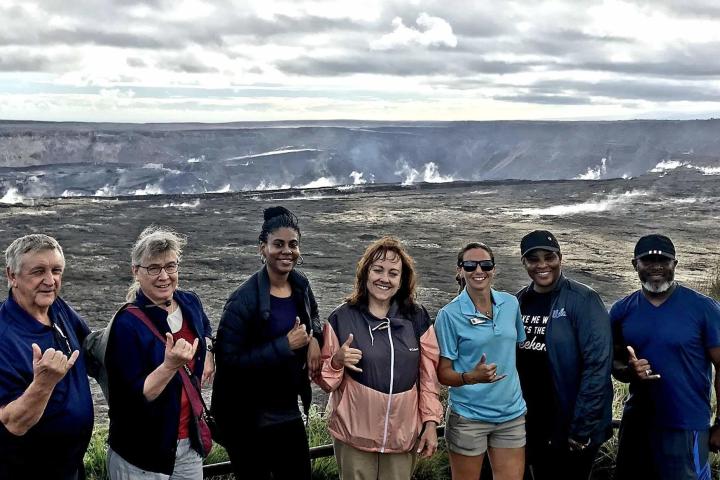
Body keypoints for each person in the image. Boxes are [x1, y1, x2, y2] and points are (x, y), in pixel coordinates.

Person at [316, 236, 443, 480]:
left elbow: (429, 378)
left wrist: (430, 423)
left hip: (401, 438)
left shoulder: (416, 318)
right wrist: (336, 362)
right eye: (378, 270)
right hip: (354, 437)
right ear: (365, 273)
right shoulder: (341, 318)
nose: (384, 278)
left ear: (401, 280)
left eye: (393, 273)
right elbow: (325, 381)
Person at [212, 206, 322, 480]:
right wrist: (284, 345)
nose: (287, 251)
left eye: (293, 244)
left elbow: (314, 317)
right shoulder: (242, 300)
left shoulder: (300, 285)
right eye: (278, 244)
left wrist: (315, 340)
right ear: (263, 248)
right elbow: (228, 360)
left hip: (287, 410)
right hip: (248, 418)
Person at [105, 226, 214, 479]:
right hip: (142, 453)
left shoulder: (190, 302)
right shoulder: (126, 324)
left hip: (188, 445)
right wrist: (170, 366)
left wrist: (208, 348)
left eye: (171, 266)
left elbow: (204, 326)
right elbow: (134, 397)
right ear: (136, 272)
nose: (164, 276)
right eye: (153, 268)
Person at [611, 234, 720, 480]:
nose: (656, 267)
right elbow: (615, 363)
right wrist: (630, 370)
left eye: (664, 261)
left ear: (675, 265)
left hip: (686, 426)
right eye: (647, 261)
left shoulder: (703, 308)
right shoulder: (621, 310)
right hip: (637, 426)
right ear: (634, 265)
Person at [515, 230, 613, 480]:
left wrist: (581, 429)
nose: (542, 265)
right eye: (533, 259)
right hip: (531, 423)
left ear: (560, 257)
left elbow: (597, 366)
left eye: (549, 257)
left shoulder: (583, 299)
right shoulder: (518, 302)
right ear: (523, 262)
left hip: (571, 424)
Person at [0, 234, 93, 479]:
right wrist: (44, 383)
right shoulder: (3, 336)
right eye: (38, 271)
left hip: (69, 468)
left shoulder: (58, 308)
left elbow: (93, 348)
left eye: (56, 270)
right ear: (12, 276)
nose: (50, 280)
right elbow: (13, 423)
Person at [435, 242, 526, 480]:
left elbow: (515, 349)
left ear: (494, 269)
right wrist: (471, 377)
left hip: (511, 415)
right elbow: (443, 373)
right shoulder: (449, 315)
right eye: (470, 265)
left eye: (485, 264)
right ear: (460, 270)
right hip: (469, 417)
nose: (479, 270)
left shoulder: (510, 304)